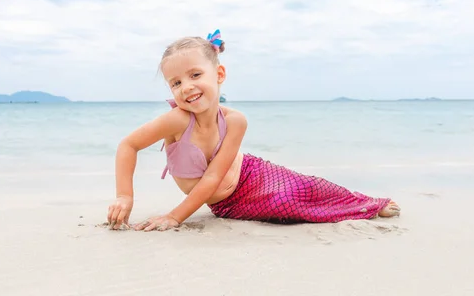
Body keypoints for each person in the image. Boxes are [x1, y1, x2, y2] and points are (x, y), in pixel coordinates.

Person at [107, 30, 400, 231]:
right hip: (229, 202)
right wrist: (124, 196)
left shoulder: (236, 121)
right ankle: (360, 207)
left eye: (195, 75)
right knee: (286, 204)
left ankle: (369, 204)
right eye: (176, 82)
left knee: (310, 186)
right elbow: (128, 145)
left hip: (252, 173)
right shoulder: (177, 121)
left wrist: (175, 217)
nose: (187, 87)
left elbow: (213, 175)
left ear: (218, 74)